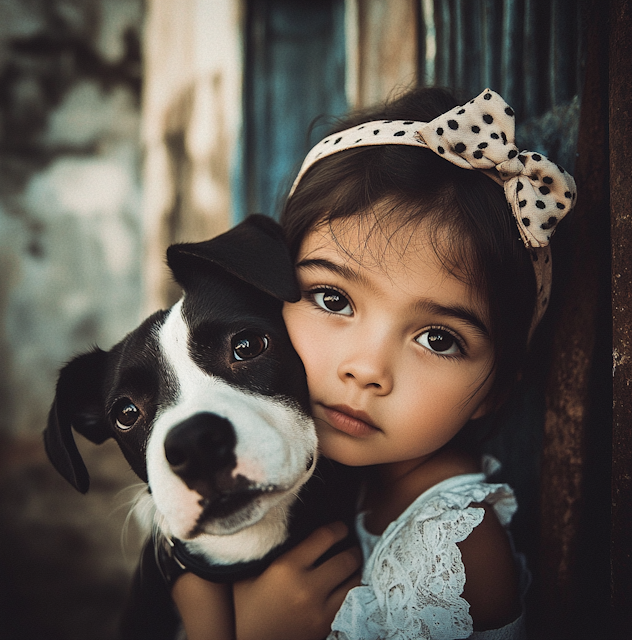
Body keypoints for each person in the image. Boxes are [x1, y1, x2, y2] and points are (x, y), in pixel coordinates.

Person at [172, 86, 577, 640]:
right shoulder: (322, 469)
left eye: (438, 338)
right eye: (333, 300)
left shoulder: (453, 552)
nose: (366, 370)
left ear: (495, 390)